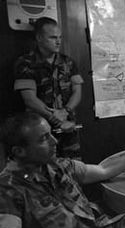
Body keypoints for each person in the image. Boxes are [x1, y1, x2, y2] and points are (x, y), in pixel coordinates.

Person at [14, 17, 83, 159]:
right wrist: (54, 117)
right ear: (39, 38)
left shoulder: (68, 62)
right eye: (52, 37)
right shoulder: (26, 63)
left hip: (68, 128)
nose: (58, 41)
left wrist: (66, 111)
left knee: (73, 168)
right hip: (41, 133)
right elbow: (29, 99)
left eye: (60, 37)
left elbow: (77, 91)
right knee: (46, 170)